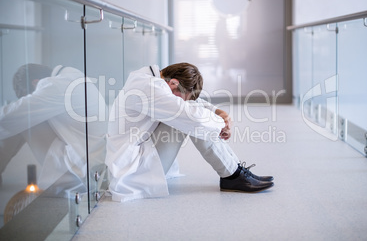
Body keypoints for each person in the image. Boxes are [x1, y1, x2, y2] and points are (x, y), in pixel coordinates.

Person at [106, 63, 274, 202]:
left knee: (191, 110)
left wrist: (219, 113)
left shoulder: (152, 78)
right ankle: (233, 175)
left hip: (135, 155)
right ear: (173, 83)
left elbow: (192, 102)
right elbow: (193, 115)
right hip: (132, 171)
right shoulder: (149, 87)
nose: (179, 99)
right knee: (192, 116)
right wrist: (221, 123)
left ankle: (235, 170)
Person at [0, 63, 106, 193]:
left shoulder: (55, 85)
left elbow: (9, 116)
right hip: (94, 162)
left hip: (82, 170)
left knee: (19, 118)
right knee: (21, 116)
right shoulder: (71, 76)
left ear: (35, 83)